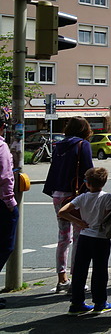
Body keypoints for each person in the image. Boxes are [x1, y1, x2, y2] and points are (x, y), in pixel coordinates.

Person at [42, 116, 94, 293]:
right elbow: (88, 170)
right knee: (80, 236)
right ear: (84, 129)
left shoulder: (59, 146)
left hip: (58, 194)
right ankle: (77, 279)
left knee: (63, 237)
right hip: (75, 196)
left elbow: (53, 170)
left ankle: (62, 279)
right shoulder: (83, 145)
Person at [58, 167, 111, 315]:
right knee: (100, 270)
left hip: (84, 237)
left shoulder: (82, 197)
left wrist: (79, 222)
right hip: (101, 238)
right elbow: (110, 218)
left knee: (80, 271)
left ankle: (76, 303)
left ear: (87, 183)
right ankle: (100, 303)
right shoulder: (107, 197)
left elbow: (62, 212)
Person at [0, 111, 17, 310]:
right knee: (5, 246)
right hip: (1, 204)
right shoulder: (1, 146)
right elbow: (5, 177)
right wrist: (10, 203)